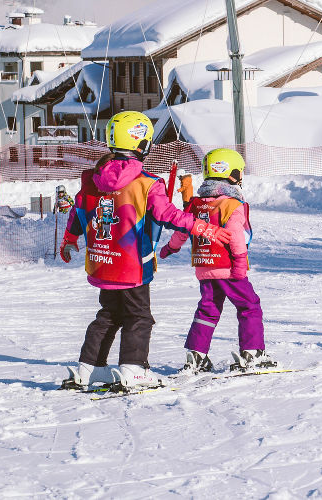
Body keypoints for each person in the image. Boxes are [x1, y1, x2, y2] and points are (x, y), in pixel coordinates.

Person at [58, 111, 232, 390]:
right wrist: (203, 227)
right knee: (139, 316)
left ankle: (90, 368)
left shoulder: (92, 178)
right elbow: (169, 215)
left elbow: (78, 211)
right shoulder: (147, 182)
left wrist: (70, 238)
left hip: (103, 262)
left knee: (108, 314)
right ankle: (134, 369)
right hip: (132, 266)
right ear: (142, 144)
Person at [158, 148, 272, 374]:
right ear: (232, 174)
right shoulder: (232, 204)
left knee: (208, 309)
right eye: (240, 172)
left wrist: (171, 247)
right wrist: (240, 263)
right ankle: (252, 353)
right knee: (249, 305)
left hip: (204, 266)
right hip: (228, 268)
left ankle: (196, 355)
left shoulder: (196, 204)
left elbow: (183, 229)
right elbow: (235, 235)